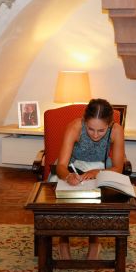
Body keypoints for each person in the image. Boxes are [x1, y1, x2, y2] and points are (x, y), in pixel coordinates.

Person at [55, 98, 125, 260]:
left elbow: (118, 168)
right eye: (90, 129)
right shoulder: (75, 127)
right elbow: (61, 166)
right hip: (73, 166)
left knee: (96, 201)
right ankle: (63, 240)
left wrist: (98, 172)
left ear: (109, 124)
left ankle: (94, 241)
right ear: (84, 121)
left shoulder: (116, 130)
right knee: (65, 200)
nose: (95, 134)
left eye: (101, 131)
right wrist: (68, 176)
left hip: (102, 168)